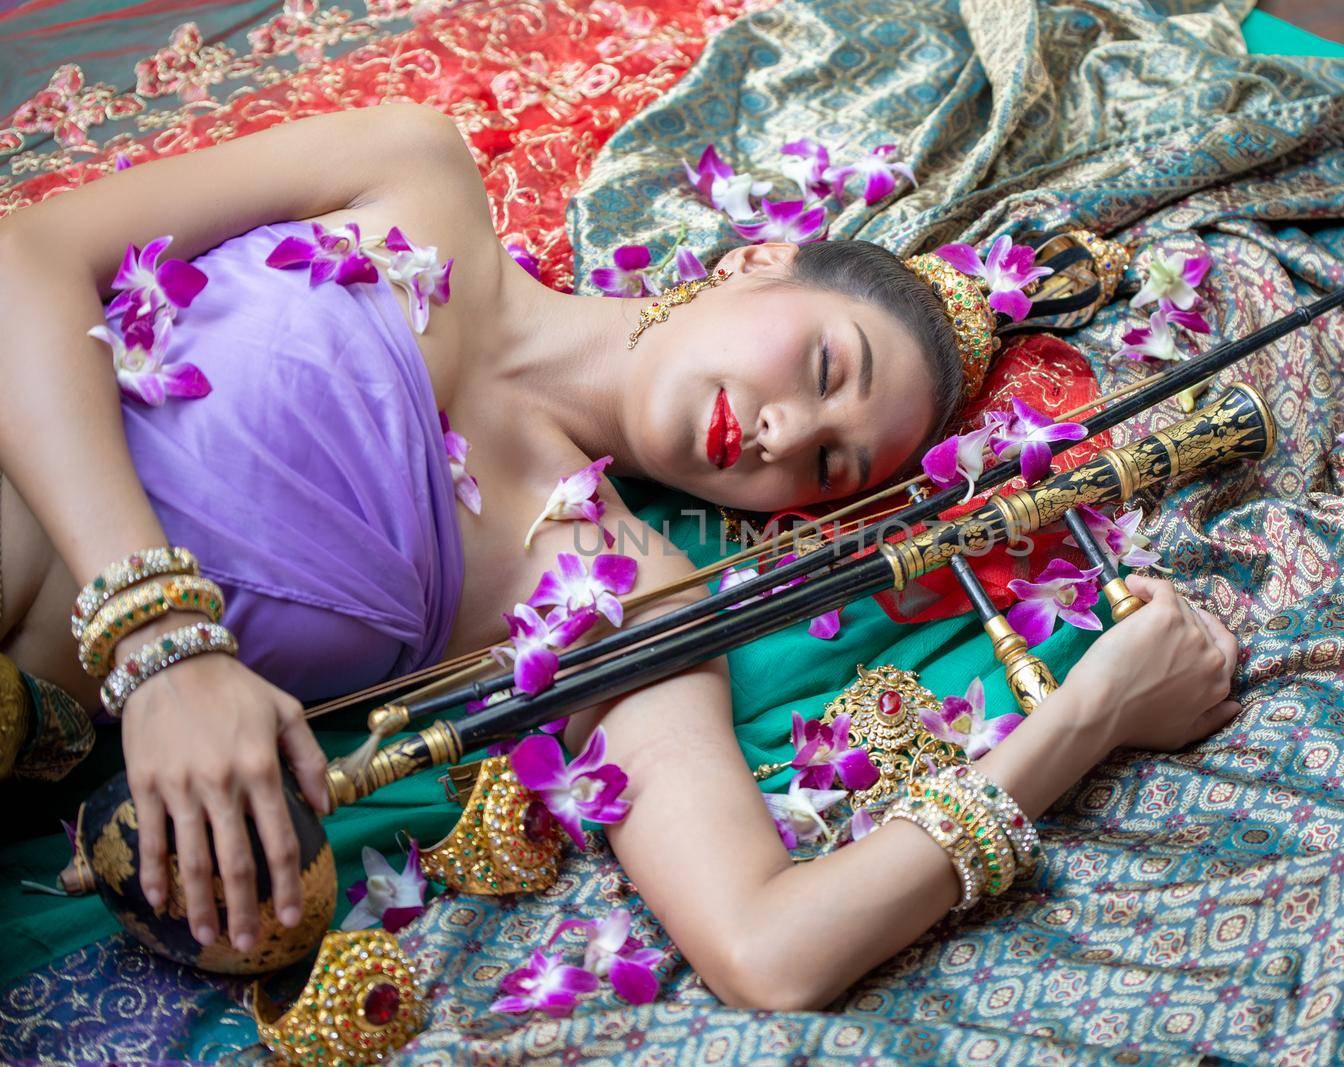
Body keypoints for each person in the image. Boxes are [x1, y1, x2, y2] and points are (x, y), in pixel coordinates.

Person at [0, 102, 1241, 1010]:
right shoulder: (409, 169)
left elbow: (769, 945)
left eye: (828, 468)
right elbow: (25, 255)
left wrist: (1088, 715)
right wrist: (164, 644)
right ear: (757, 261)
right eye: (822, 369)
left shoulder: (618, 601)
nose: (787, 433)